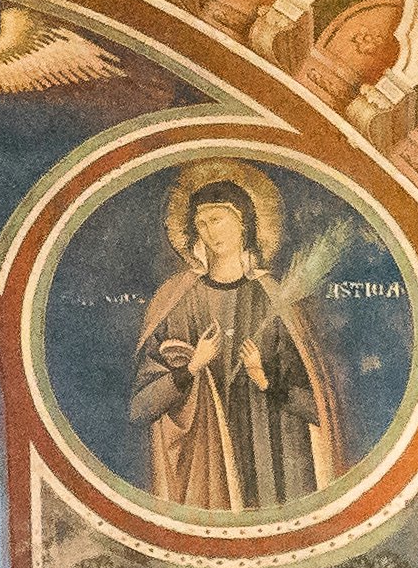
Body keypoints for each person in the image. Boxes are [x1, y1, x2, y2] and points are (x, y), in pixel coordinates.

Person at [130, 172, 337, 515]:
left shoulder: (276, 299)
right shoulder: (176, 301)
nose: (210, 232)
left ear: (244, 223)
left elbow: (317, 406)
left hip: (271, 462)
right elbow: (140, 407)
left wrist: (266, 381)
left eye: (218, 219)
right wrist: (192, 367)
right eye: (201, 223)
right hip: (203, 471)